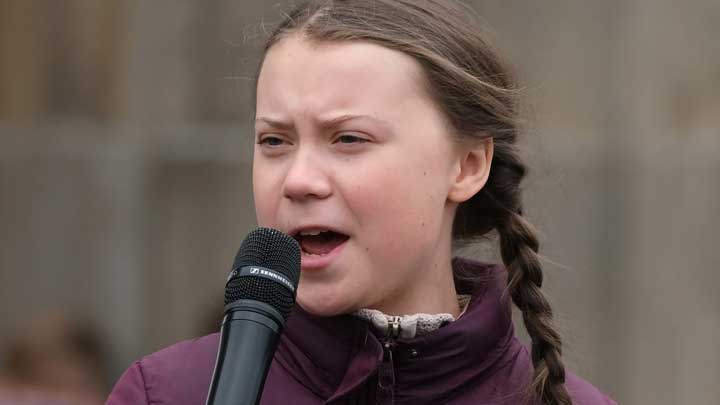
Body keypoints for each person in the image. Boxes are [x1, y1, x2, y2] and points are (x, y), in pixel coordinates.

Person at [107, 1, 616, 404]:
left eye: (349, 139)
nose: (299, 180)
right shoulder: (165, 394)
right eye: (274, 141)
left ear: (466, 165)